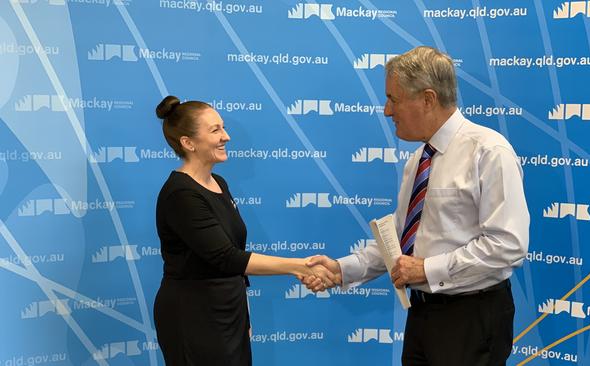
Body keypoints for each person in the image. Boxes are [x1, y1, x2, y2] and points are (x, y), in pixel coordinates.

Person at [304, 46, 530, 366]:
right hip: (423, 313)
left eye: (393, 99)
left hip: (472, 319)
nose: (386, 110)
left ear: (427, 99)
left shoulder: (489, 152)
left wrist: (425, 269)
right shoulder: (418, 160)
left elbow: (507, 245)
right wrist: (340, 269)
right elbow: (396, 241)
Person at [153, 96, 336, 366]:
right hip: (194, 315)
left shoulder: (219, 183)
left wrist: (244, 313)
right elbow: (227, 258)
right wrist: (301, 266)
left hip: (228, 310)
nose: (226, 136)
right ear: (188, 143)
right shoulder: (181, 194)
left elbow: (233, 258)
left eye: (223, 127)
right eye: (215, 130)